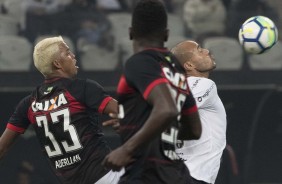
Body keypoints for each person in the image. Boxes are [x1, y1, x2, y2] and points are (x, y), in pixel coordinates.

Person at [102, 0, 202, 183]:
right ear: (166, 35)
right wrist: (138, 125)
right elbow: (194, 130)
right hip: (175, 174)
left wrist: (127, 149)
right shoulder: (175, 68)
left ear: (131, 32)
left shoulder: (139, 62)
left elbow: (166, 109)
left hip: (147, 173)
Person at [0, 36, 123, 184]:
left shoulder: (28, 104)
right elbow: (122, 111)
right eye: (67, 52)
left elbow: (2, 147)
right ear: (57, 64)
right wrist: (125, 118)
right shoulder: (82, 88)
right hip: (108, 176)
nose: (73, 56)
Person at [171, 40, 227, 184]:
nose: (207, 51)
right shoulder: (203, 84)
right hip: (192, 177)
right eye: (199, 49)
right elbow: (176, 107)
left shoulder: (171, 90)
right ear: (189, 65)